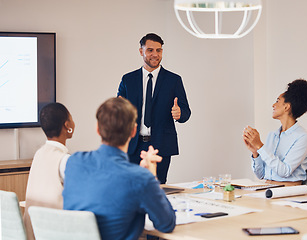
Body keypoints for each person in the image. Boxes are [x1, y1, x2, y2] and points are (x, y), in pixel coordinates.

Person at [62, 97, 176, 240]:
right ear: (134, 131)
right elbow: (166, 224)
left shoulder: (74, 162)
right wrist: (151, 174)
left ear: (97, 129)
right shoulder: (140, 178)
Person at [117, 33, 191, 184]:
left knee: (157, 187)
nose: (155, 54)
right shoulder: (128, 79)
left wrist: (179, 113)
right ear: (141, 51)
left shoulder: (174, 80)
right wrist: (118, 110)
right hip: (133, 144)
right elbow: (118, 109)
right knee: (131, 186)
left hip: (161, 145)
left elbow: (185, 112)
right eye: (150, 50)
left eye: (159, 50)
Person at [243, 79, 307, 186]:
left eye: (277, 101)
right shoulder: (273, 135)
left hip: (288, 193)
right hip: (268, 189)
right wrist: (255, 152)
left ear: (286, 107)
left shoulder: (302, 137)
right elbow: (260, 175)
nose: (273, 105)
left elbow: (285, 171)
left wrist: (260, 146)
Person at [23, 103, 75, 240]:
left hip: (33, 232)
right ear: (67, 125)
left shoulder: (39, 154)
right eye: (71, 118)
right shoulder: (64, 160)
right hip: (54, 232)